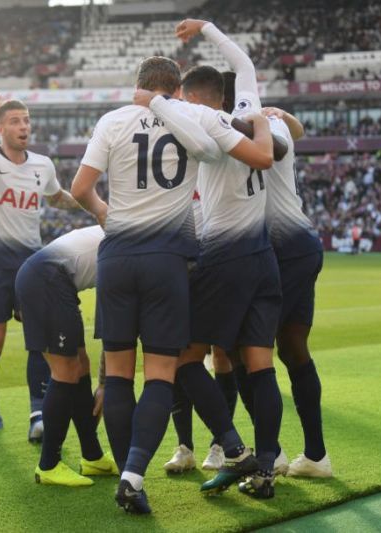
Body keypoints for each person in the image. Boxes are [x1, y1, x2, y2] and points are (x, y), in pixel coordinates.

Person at [71, 56, 258, 514]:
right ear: (175, 89)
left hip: (115, 257)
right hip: (166, 262)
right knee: (160, 374)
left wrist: (103, 213)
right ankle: (133, 476)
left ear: (137, 86)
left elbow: (79, 189)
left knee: (117, 374)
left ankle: (124, 469)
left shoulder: (112, 120)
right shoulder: (187, 118)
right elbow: (214, 153)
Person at [172, 18, 287, 498]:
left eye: (184, 100)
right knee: (258, 363)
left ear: (195, 100)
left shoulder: (203, 122)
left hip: (224, 257)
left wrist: (150, 100)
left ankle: (232, 448)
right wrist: (209, 29)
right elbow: (243, 63)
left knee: (183, 360)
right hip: (264, 257)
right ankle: (265, 469)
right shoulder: (248, 108)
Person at [0, 94, 81, 438]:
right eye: (15, 121)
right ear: (0, 128)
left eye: (26, 120)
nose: (24, 126)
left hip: (32, 264)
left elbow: (57, 198)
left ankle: (37, 414)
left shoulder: (42, 164)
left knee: (37, 340)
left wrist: (89, 204)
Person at [256, 105, 333, 480]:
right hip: (296, 245)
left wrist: (273, 116)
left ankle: (270, 453)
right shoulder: (261, 120)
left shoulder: (259, 123)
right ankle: (316, 457)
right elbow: (297, 132)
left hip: (283, 248)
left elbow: (282, 146)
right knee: (291, 347)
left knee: (247, 348)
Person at [15, 225, 118, 486]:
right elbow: (114, 323)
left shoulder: (126, 231)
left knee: (80, 366)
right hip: (47, 278)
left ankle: (92, 457)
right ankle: (48, 465)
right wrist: (106, 383)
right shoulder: (128, 245)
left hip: (53, 280)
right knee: (66, 371)